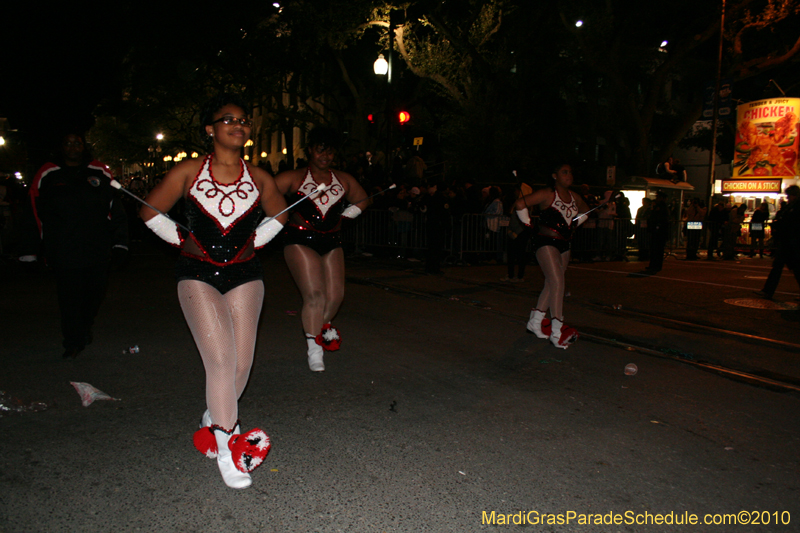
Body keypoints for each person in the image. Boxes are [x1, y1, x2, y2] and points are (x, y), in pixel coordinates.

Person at [140, 94, 284, 489]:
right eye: (228, 119)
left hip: (245, 273)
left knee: (241, 365)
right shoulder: (188, 171)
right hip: (197, 273)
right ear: (210, 128)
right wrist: (180, 239)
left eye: (244, 119)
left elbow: (282, 214)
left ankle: (215, 414)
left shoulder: (259, 177)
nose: (239, 125)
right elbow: (149, 210)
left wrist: (257, 240)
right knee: (220, 361)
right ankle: (226, 446)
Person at [26, 131, 129, 359]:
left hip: (96, 248)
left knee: (94, 295)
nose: (72, 147)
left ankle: (84, 326)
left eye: (77, 143)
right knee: (69, 297)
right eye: (68, 143)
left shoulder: (99, 171)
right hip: (63, 248)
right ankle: (72, 341)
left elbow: (115, 209)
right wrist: (31, 250)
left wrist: (120, 243)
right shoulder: (47, 173)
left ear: (84, 146)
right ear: (61, 147)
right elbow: (34, 211)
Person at [275, 126, 369, 372]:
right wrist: (277, 216)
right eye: (320, 151)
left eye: (330, 152)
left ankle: (320, 325)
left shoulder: (343, 179)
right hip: (300, 239)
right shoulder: (294, 177)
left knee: (335, 296)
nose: (325, 156)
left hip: (331, 240)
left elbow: (363, 199)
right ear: (310, 151)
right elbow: (264, 193)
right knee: (315, 296)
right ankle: (315, 349)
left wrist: (349, 214)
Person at [514, 163, 611, 349]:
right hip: (546, 242)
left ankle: (535, 322)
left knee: (552, 283)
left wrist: (575, 224)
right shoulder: (547, 193)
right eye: (564, 172)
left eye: (570, 172)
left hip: (565, 244)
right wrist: (528, 226)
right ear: (555, 176)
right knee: (558, 282)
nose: (569, 175)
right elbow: (520, 204)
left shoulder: (575, 196)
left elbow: (585, 211)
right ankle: (557, 331)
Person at [755, 186, 800, 300]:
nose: (788, 198)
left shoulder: (796, 207)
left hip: (791, 241)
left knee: (792, 268)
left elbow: (790, 222)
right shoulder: (791, 206)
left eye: (789, 196)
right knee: (780, 267)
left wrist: (779, 225)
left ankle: (768, 291)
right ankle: (767, 291)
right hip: (787, 240)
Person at [646, 191, 670, 273]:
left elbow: (662, 219)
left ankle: (656, 265)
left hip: (660, 231)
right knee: (654, 249)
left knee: (658, 249)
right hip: (656, 230)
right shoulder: (657, 206)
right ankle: (653, 264)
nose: (656, 198)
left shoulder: (663, 207)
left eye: (658, 197)